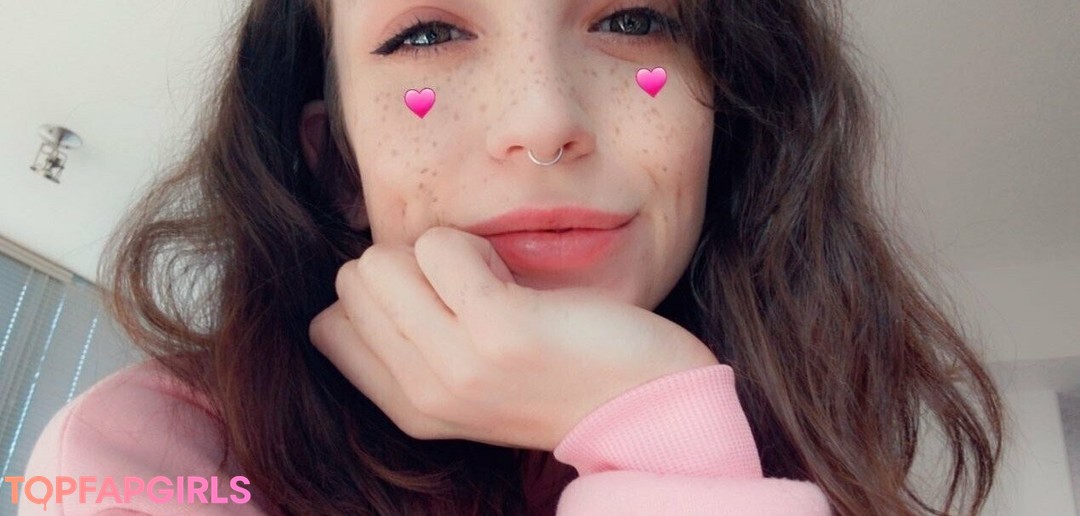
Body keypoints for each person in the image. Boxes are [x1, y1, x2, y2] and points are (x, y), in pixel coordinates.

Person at [19, 0, 1004, 514]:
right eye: (428, 33)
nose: (543, 121)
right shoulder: (148, 459)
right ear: (338, 167)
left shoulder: (821, 431)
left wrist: (663, 437)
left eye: (631, 21)